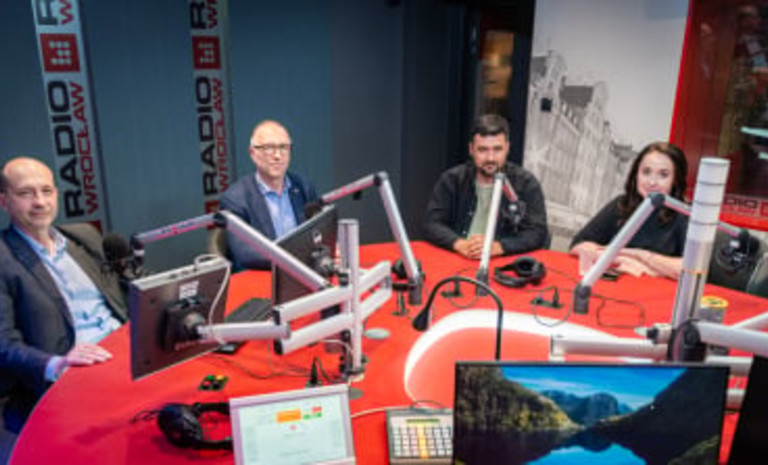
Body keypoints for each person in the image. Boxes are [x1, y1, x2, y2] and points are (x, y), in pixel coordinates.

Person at [0, 157, 127, 463]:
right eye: (26, 193)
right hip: (74, 372)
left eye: (46, 191)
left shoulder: (83, 236)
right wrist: (57, 364)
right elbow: (4, 344)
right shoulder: (3, 257)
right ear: (4, 202)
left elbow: (124, 288)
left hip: (124, 350)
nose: (40, 202)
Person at [423, 114, 549, 259]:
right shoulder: (452, 180)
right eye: (483, 150)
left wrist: (499, 247)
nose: (490, 158)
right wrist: (459, 244)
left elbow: (537, 232)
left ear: (507, 148)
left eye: (497, 149)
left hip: (502, 263)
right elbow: (432, 223)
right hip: (459, 258)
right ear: (471, 149)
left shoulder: (526, 184)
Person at [569, 142, 689, 279]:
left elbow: (691, 270)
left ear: (675, 180)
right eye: (646, 172)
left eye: (663, 175)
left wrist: (640, 257)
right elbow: (578, 245)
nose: (652, 182)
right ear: (636, 174)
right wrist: (622, 260)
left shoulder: (685, 214)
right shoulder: (621, 204)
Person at [220, 120, 319, 270]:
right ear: (253, 154)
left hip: (307, 270)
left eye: (283, 147)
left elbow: (319, 230)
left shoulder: (303, 186)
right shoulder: (235, 199)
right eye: (268, 148)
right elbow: (245, 254)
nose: (278, 155)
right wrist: (297, 257)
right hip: (265, 274)